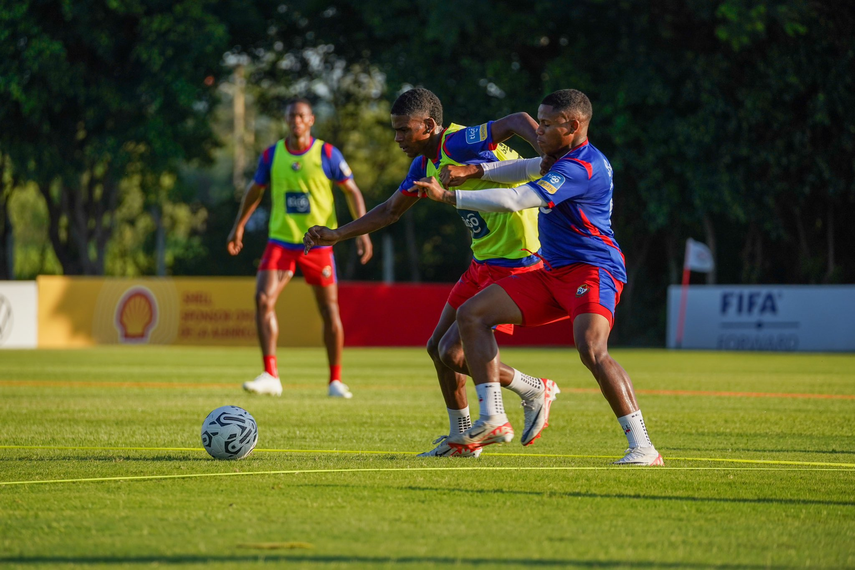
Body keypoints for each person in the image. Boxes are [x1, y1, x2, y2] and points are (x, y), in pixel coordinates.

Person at [303, 87, 560, 457]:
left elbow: (518, 120)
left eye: (404, 130)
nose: (397, 139)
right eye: (394, 130)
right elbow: (391, 211)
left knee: (454, 353)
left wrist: (550, 157)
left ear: (428, 125)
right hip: (483, 261)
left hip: (516, 261)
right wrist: (338, 234)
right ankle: (462, 440)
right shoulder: (425, 162)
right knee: (436, 350)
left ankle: (534, 389)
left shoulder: (456, 142)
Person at [414, 89, 663, 466]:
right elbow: (522, 168)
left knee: (592, 349)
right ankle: (494, 417)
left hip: (593, 269)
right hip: (551, 272)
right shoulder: (560, 157)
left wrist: (452, 198)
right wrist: (473, 170)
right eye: (539, 121)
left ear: (574, 125)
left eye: (547, 124)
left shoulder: (583, 166)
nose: (539, 130)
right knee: (471, 315)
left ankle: (643, 447)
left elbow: (517, 198)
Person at [228, 98, 373, 399]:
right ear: (286, 119)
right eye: (291, 115)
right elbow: (254, 191)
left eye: (301, 116)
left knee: (329, 310)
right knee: (262, 299)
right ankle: (270, 374)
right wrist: (239, 225)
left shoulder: (328, 154)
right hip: (280, 241)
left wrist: (362, 231)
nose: (296, 120)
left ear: (311, 121)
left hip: (318, 244)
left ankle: (335, 380)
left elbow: (352, 191)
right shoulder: (272, 155)